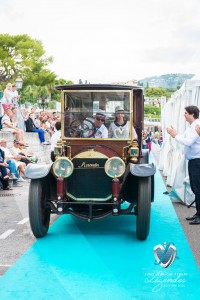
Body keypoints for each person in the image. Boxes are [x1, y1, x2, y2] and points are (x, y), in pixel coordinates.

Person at [167, 105, 200, 225]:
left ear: (192, 114)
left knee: (198, 188)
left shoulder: (197, 125)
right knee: (195, 187)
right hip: (193, 161)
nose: (184, 115)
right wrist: (175, 134)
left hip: (197, 161)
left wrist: (174, 135)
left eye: (186, 113)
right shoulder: (191, 126)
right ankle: (198, 213)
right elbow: (185, 138)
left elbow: (188, 141)